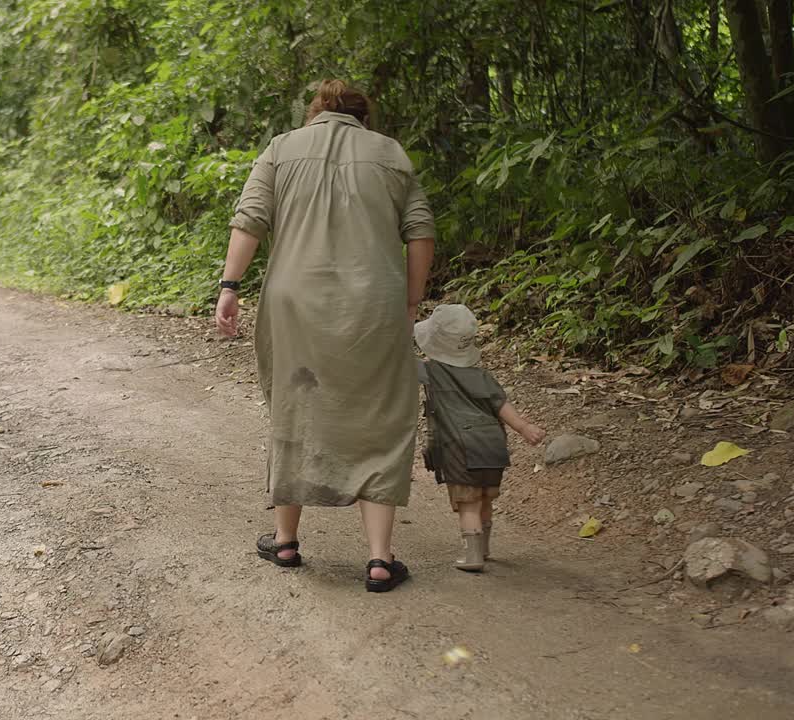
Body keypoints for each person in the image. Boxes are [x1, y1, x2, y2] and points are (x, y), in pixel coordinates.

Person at [215, 80, 435, 593]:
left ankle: (285, 540)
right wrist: (410, 300)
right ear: (363, 117)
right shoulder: (389, 153)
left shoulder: (281, 148)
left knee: (294, 405)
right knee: (379, 416)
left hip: (294, 301)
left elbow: (249, 221)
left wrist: (229, 286)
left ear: (314, 113)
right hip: (373, 301)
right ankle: (380, 560)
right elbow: (420, 232)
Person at [414, 304, 546, 572]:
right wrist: (523, 427)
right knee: (485, 499)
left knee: (469, 504)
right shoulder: (483, 375)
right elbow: (501, 405)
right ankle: (484, 548)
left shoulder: (431, 372)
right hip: (493, 446)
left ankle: (472, 556)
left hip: (460, 447)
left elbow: (400, 362)